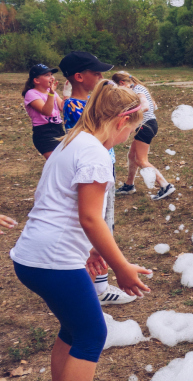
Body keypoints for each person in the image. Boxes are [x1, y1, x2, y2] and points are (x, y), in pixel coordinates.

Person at [10, 81, 152, 381]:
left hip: (32, 255)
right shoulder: (95, 155)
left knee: (74, 327)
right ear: (121, 120)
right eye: (131, 131)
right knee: (91, 334)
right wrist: (121, 267)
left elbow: (56, 202)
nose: (128, 138)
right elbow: (91, 219)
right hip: (53, 260)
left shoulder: (72, 141)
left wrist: (89, 250)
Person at [60, 52, 133, 306]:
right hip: (95, 168)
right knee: (100, 222)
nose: (102, 77)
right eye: (97, 73)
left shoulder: (90, 102)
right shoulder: (74, 105)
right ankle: (99, 288)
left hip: (104, 165)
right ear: (79, 77)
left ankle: (98, 284)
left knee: (105, 220)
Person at [112, 72, 174, 201]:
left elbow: (145, 107)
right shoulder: (138, 88)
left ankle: (165, 185)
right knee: (132, 156)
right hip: (146, 125)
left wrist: (127, 114)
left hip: (146, 126)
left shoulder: (137, 89)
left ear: (122, 83)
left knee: (141, 160)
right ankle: (129, 186)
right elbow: (154, 106)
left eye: (118, 88)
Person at [23, 64, 65, 159]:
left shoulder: (51, 92)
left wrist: (66, 94)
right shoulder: (31, 94)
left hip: (58, 129)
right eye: (47, 75)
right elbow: (47, 111)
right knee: (55, 161)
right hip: (44, 133)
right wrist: (51, 93)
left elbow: (63, 108)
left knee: (63, 160)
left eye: (51, 74)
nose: (51, 78)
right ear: (36, 80)